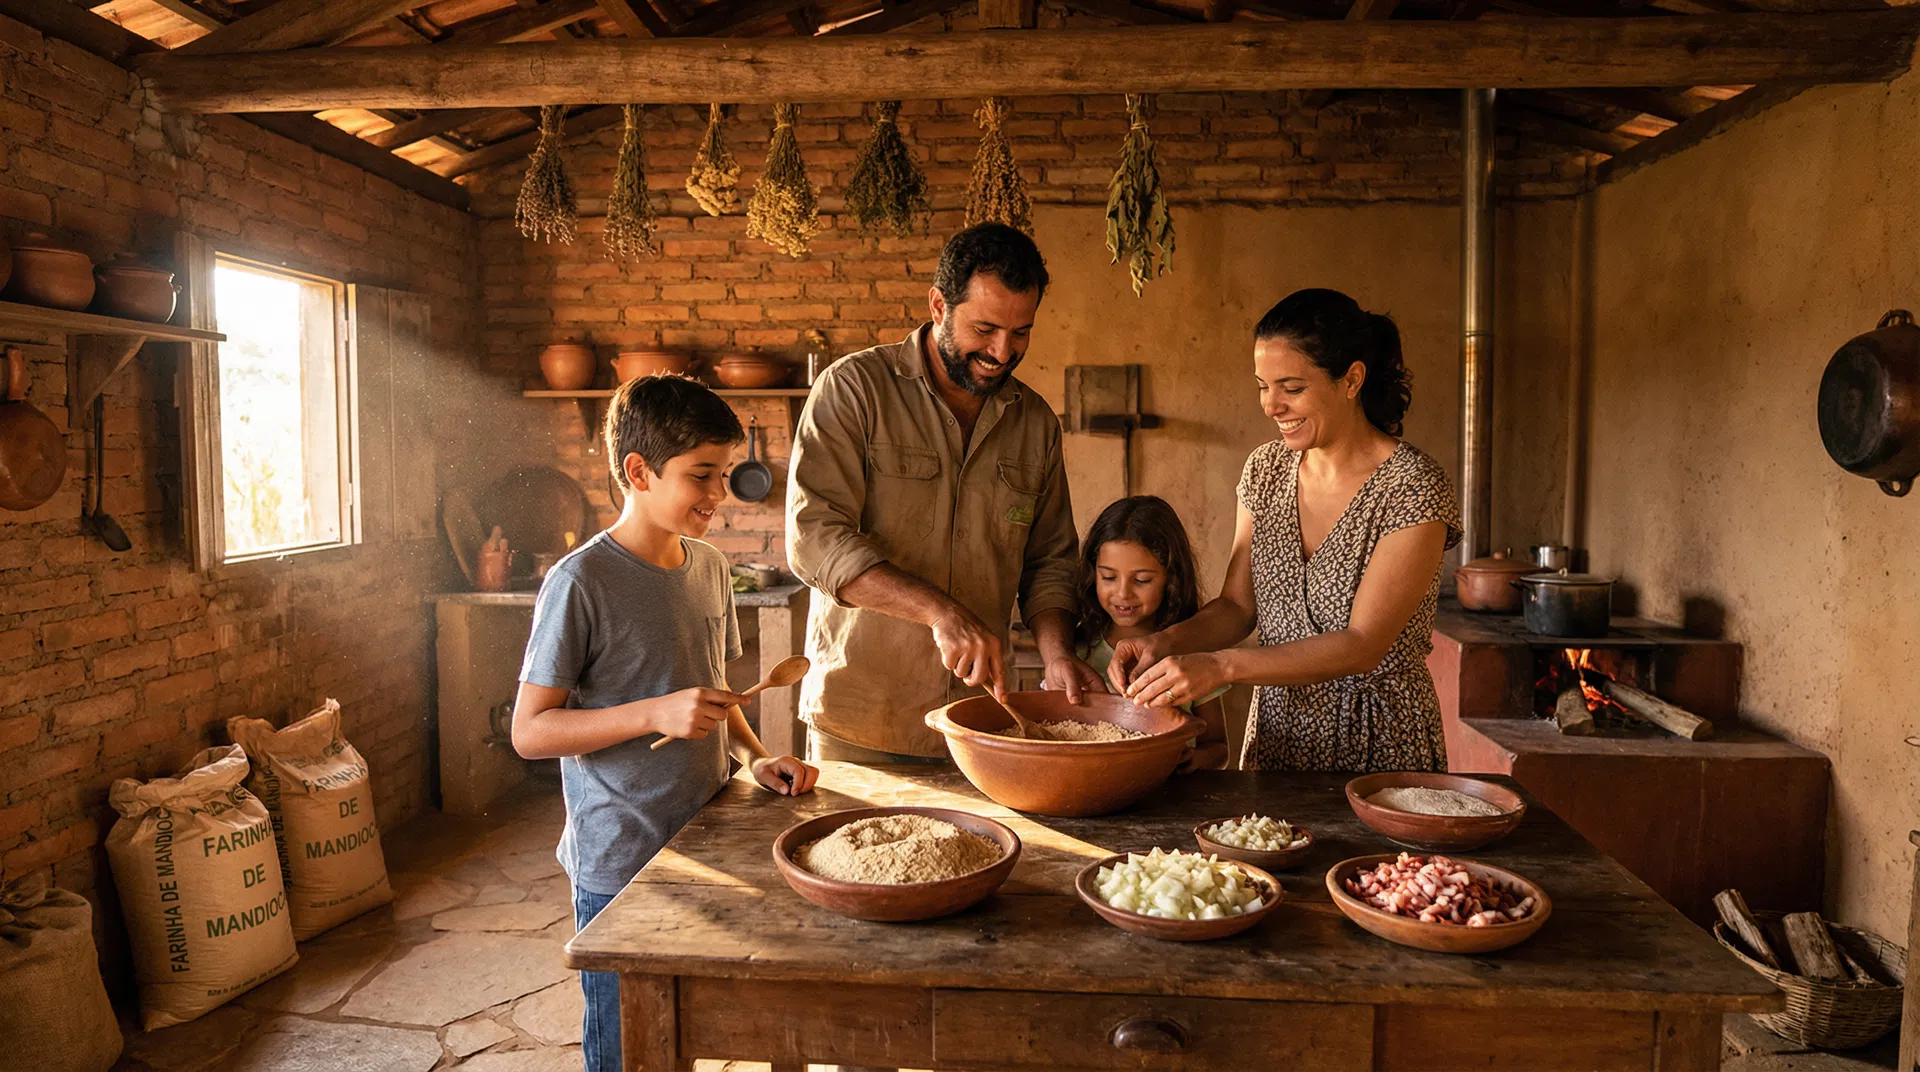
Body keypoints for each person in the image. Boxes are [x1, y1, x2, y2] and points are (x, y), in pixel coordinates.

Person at [511, 374, 819, 1072]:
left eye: (721, 471)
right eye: (700, 475)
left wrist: (755, 757)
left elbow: (713, 694)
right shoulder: (580, 582)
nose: (718, 493)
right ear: (638, 472)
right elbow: (531, 731)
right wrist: (654, 711)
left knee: (693, 1033)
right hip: (619, 855)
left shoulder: (709, 566)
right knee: (628, 1048)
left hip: (704, 835)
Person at [1108, 289, 1462, 772]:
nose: (1271, 405)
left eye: (1291, 388)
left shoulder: (1413, 487)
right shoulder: (1265, 471)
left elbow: (1363, 643)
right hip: (1280, 733)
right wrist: (1165, 643)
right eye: (1262, 385)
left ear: (1351, 379)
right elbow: (1237, 606)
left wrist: (1222, 666)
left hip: (1380, 741)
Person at [786, 223, 1096, 765]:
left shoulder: (1036, 423)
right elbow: (813, 539)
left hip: (980, 726)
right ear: (937, 305)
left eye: (1020, 332)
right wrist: (939, 613)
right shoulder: (854, 391)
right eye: (985, 328)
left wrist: (1056, 654)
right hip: (863, 721)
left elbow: (1049, 561)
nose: (1003, 351)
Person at [1074, 495, 1230, 771]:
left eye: (1142, 580)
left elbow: (1218, 747)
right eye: (1108, 577)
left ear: (1171, 578)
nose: (1123, 593)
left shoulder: (1192, 651)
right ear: (1092, 573)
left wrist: (1189, 761)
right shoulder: (1078, 648)